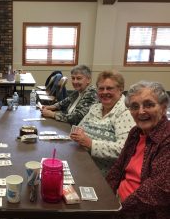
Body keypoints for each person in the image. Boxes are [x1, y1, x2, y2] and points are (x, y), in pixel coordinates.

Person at [106, 81, 170, 219]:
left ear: (163, 108)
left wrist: (116, 211)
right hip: (117, 202)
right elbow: (118, 168)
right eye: (134, 106)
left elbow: (157, 191)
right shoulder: (136, 132)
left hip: (142, 213)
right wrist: (104, 196)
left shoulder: (167, 138)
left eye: (149, 105)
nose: (141, 111)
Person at [70, 70, 135, 176]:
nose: (104, 92)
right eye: (101, 88)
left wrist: (91, 144)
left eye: (109, 88)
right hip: (83, 162)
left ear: (121, 89)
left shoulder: (126, 112)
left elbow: (124, 149)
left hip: (105, 175)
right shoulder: (95, 108)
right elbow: (78, 129)